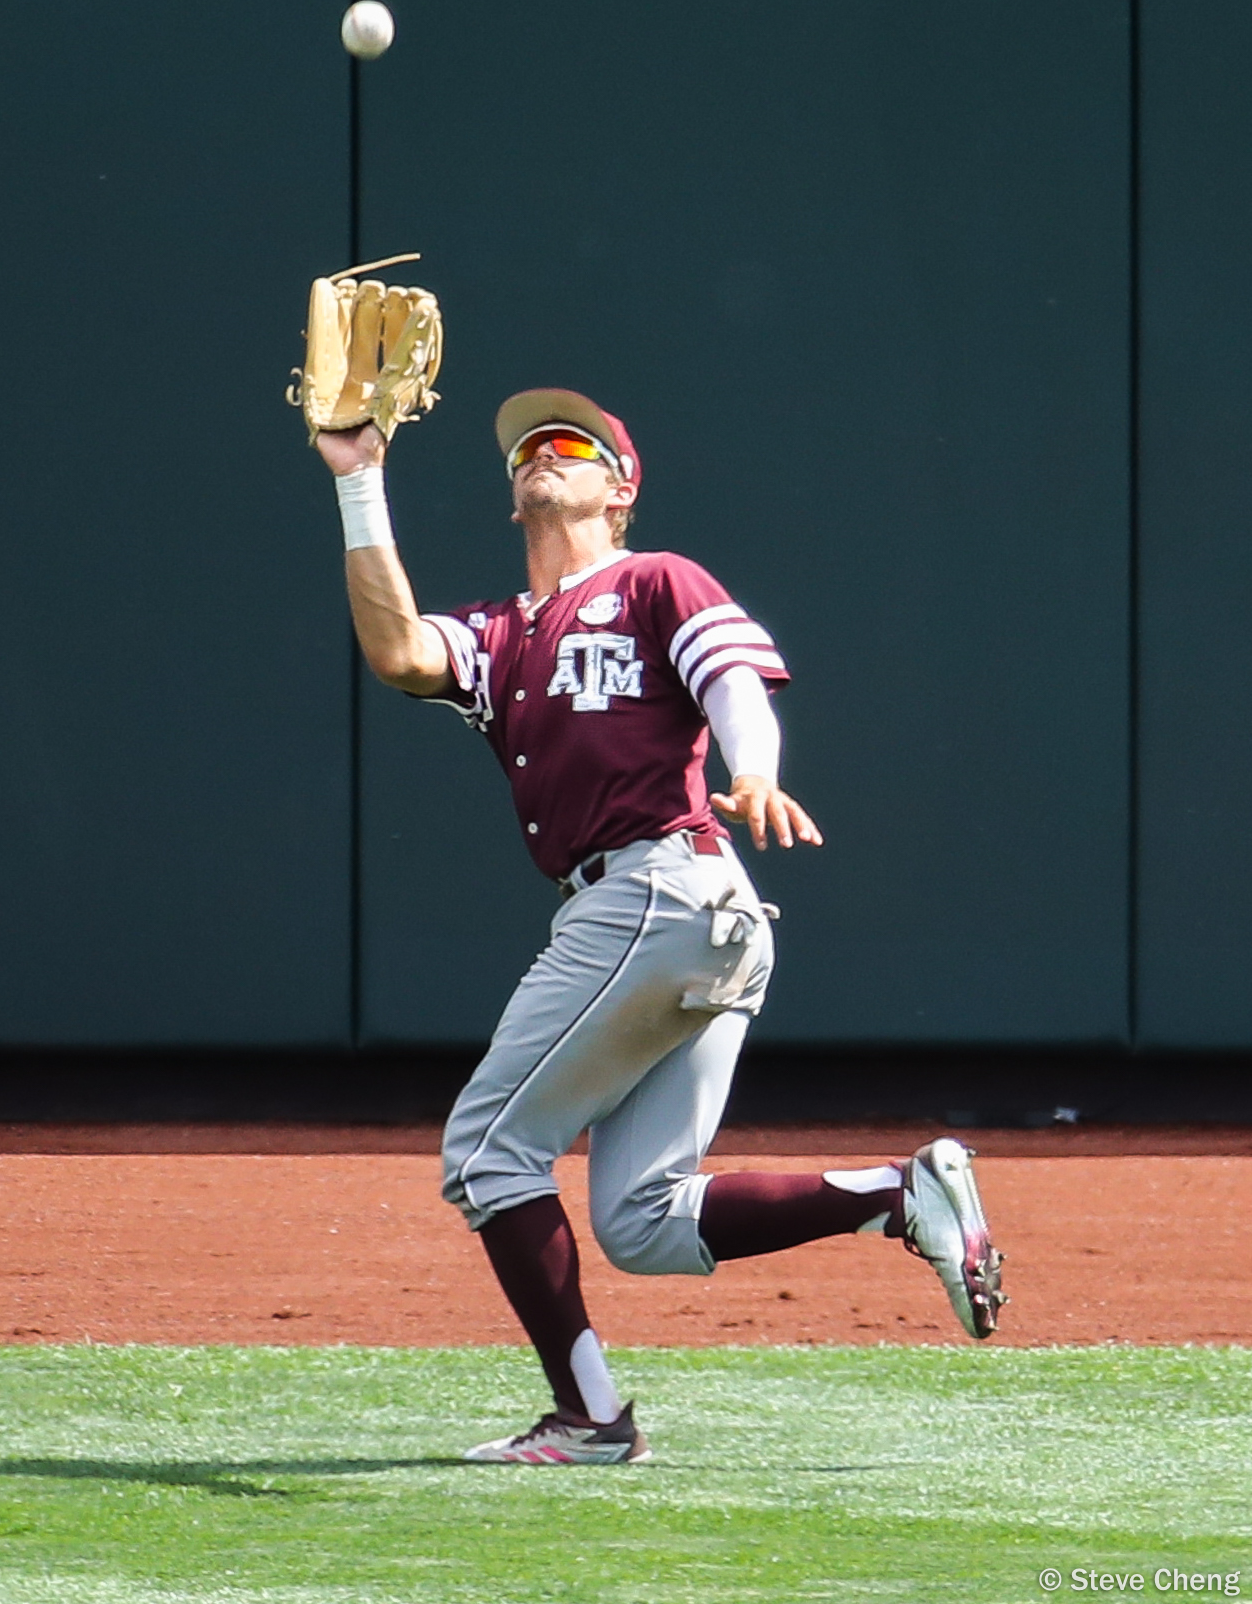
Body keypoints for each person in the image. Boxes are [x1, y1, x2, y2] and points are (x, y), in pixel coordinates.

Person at [318, 388, 1004, 1465]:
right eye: (525, 450)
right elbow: (401, 652)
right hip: (674, 914)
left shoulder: (651, 578)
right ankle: (898, 1192)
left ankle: (590, 1419)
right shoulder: (498, 634)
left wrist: (757, 769)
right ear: (510, 500)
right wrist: (360, 478)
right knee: (642, 1220)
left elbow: (730, 679)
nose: (542, 453)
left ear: (620, 488)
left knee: (488, 1153)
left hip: (661, 886)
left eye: (570, 443)